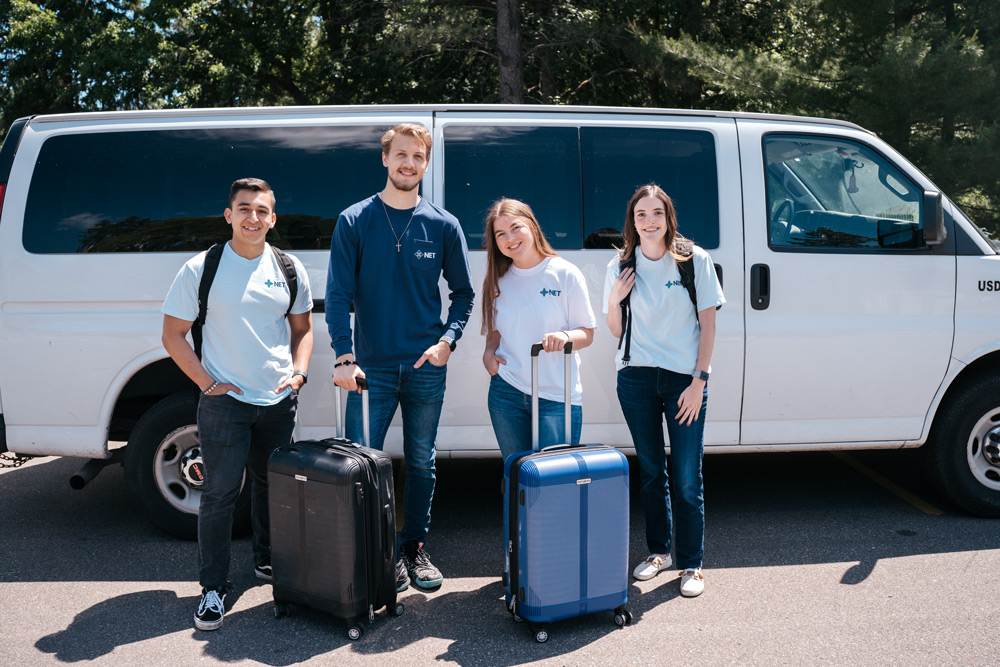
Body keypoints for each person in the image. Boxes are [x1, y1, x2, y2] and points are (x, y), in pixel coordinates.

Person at [326, 123, 474, 591]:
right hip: (369, 371)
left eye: (418, 157)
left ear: (425, 165)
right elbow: (337, 296)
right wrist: (344, 357)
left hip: (425, 366)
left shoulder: (443, 224)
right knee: (360, 463)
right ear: (385, 159)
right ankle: (375, 552)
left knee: (422, 462)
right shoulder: (355, 219)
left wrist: (448, 341)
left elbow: (464, 295)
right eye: (401, 155)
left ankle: (413, 549)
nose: (409, 164)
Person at [161, 178, 314, 631]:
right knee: (220, 494)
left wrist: (299, 375)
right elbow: (172, 335)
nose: (253, 218)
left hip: (277, 401)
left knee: (273, 487)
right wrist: (208, 384)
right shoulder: (200, 269)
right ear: (228, 215)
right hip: (224, 403)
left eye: (262, 211)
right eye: (244, 209)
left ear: (273, 218)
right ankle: (213, 587)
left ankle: (266, 562)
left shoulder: (288, 268)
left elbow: (302, 331)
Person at [603, 183, 724, 598]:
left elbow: (708, 324)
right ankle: (660, 553)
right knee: (651, 472)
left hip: (683, 382)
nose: (649, 221)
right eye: (641, 215)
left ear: (668, 217)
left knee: (687, 476)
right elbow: (616, 333)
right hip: (635, 379)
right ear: (632, 222)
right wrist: (615, 300)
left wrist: (699, 381)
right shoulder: (620, 264)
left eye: (656, 213)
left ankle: (692, 563)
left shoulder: (693, 260)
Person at [480, 198, 597, 460]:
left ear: (532, 226)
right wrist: (489, 352)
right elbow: (496, 331)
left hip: (556, 396)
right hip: (507, 392)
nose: (509, 238)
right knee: (518, 476)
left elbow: (587, 333)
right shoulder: (498, 280)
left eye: (515, 228)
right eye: (500, 234)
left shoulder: (564, 273)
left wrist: (565, 337)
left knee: (554, 484)